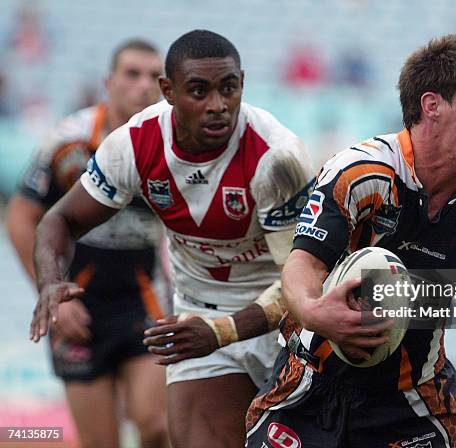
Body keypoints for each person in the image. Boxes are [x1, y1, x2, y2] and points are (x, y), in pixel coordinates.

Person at [245, 34, 456, 448]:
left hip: (413, 404)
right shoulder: (360, 173)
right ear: (432, 106)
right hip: (310, 386)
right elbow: (302, 264)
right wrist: (312, 311)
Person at [28, 29, 314, 448]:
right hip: (199, 316)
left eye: (228, 88)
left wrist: (222, 331)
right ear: (169, 91)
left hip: (290, 321)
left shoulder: (276, 158)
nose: (217, 106)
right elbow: (59, 220)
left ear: (242, 85)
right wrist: (50, 281)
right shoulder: (133, 145)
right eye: (199, 91)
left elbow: (302, 281)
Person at [6, 39, 168, 448]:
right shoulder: (68, 142)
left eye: (154, 76)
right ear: (109, 81)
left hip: (143, 298)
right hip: (77, 303)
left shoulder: (172, 145)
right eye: (132, 73)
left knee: (156, 425)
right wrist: (51, 293)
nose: (143, 85)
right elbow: (21, 218)